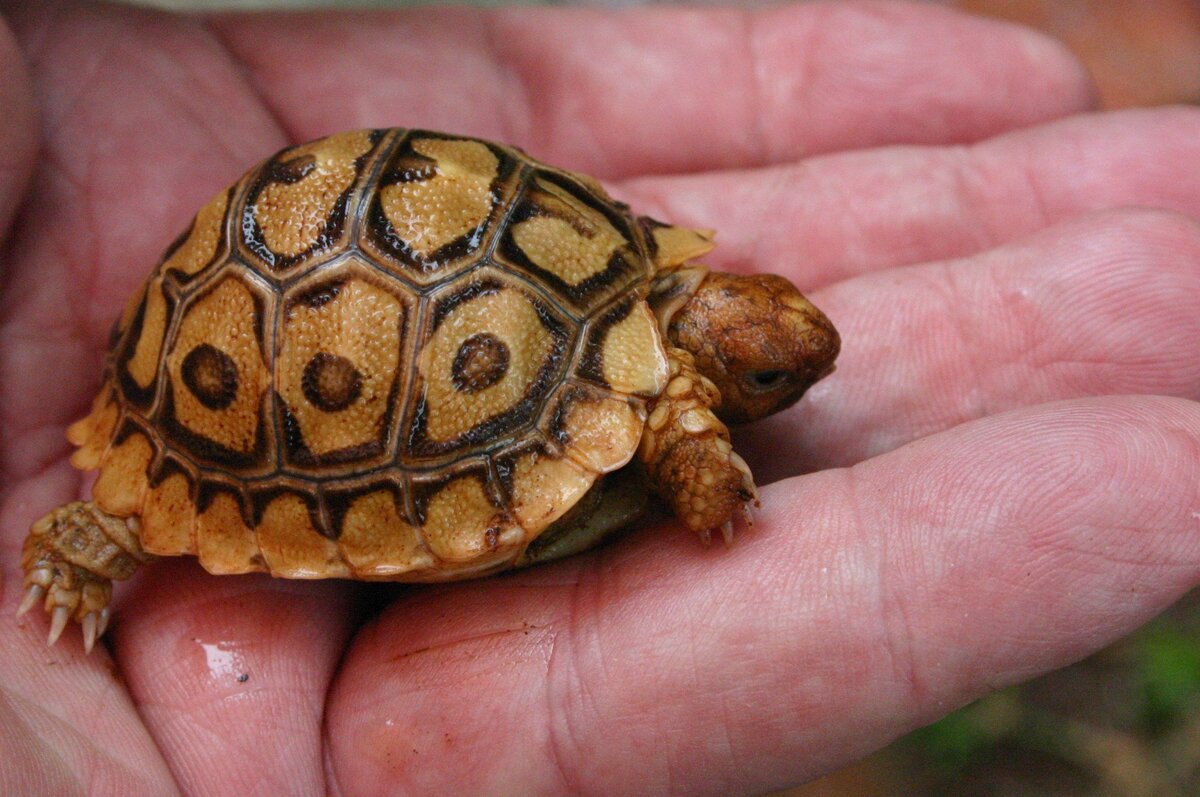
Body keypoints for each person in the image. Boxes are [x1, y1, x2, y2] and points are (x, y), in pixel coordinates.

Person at [1, 1, 1198, 794]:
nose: (798, 380)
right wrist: (700, 457)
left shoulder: (640, 270)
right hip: (258, 356)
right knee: (137, 520)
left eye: (780, 358)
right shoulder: (676, 399)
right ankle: (106, 523)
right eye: (772, 379)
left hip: (406, 249)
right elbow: (676, 422)